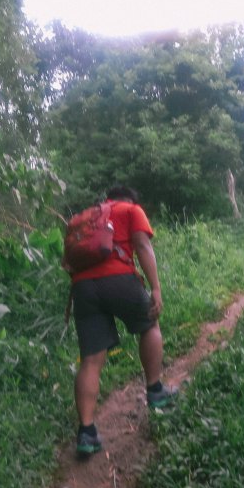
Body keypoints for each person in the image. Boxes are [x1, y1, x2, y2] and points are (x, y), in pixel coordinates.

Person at [68, 185, 176, 457]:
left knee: (91, 360)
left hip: (82, 287)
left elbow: (69, 260)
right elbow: (142, 245)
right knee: (149, 324)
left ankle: (86, 433)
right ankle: (155, 391)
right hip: (119, 278)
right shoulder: (131, 210)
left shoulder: (86, 217)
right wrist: (156, 289)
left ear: (107, 200)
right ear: (130, 199)